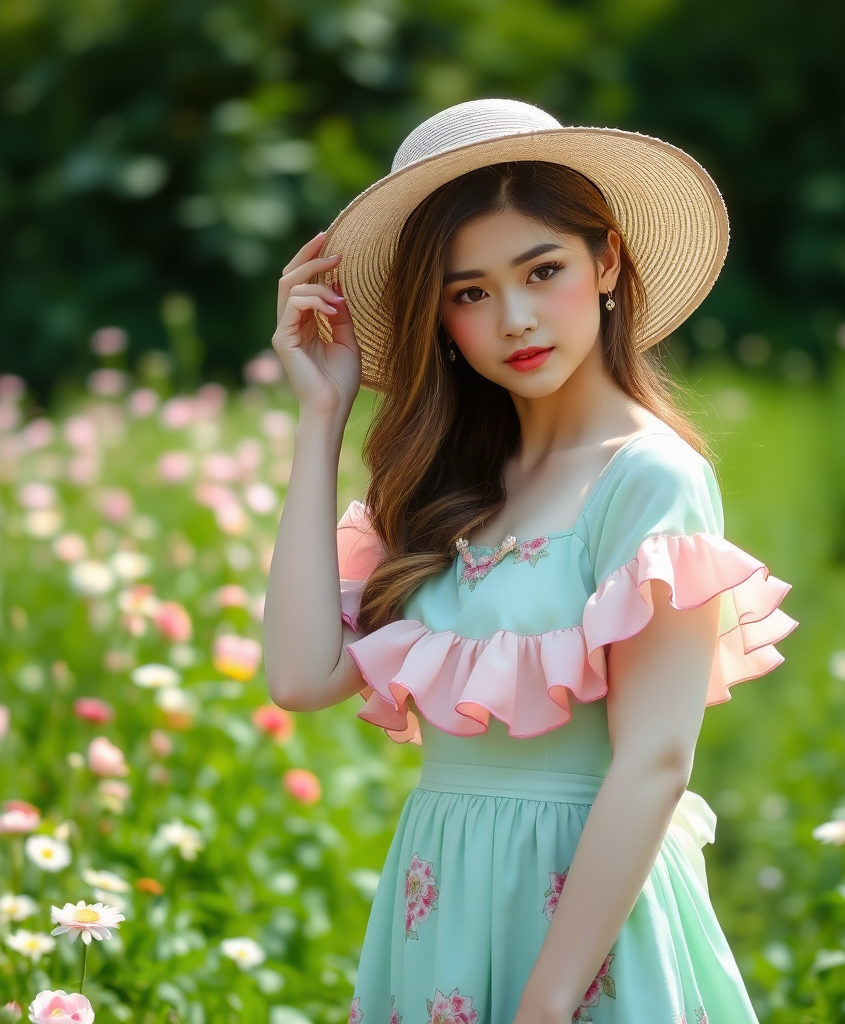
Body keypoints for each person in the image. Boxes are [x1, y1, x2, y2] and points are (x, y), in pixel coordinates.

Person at [263, 98, 797, 1024]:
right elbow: (300, 675)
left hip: (586, 928)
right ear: (439, 317)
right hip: (441, 907)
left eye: (541, 269)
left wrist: (547, 1002)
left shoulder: (650, 477)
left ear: (606, 264)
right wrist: (322, 419)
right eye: (468, 292)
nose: (513, 317)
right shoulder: (445, 482)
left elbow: (655, 762)